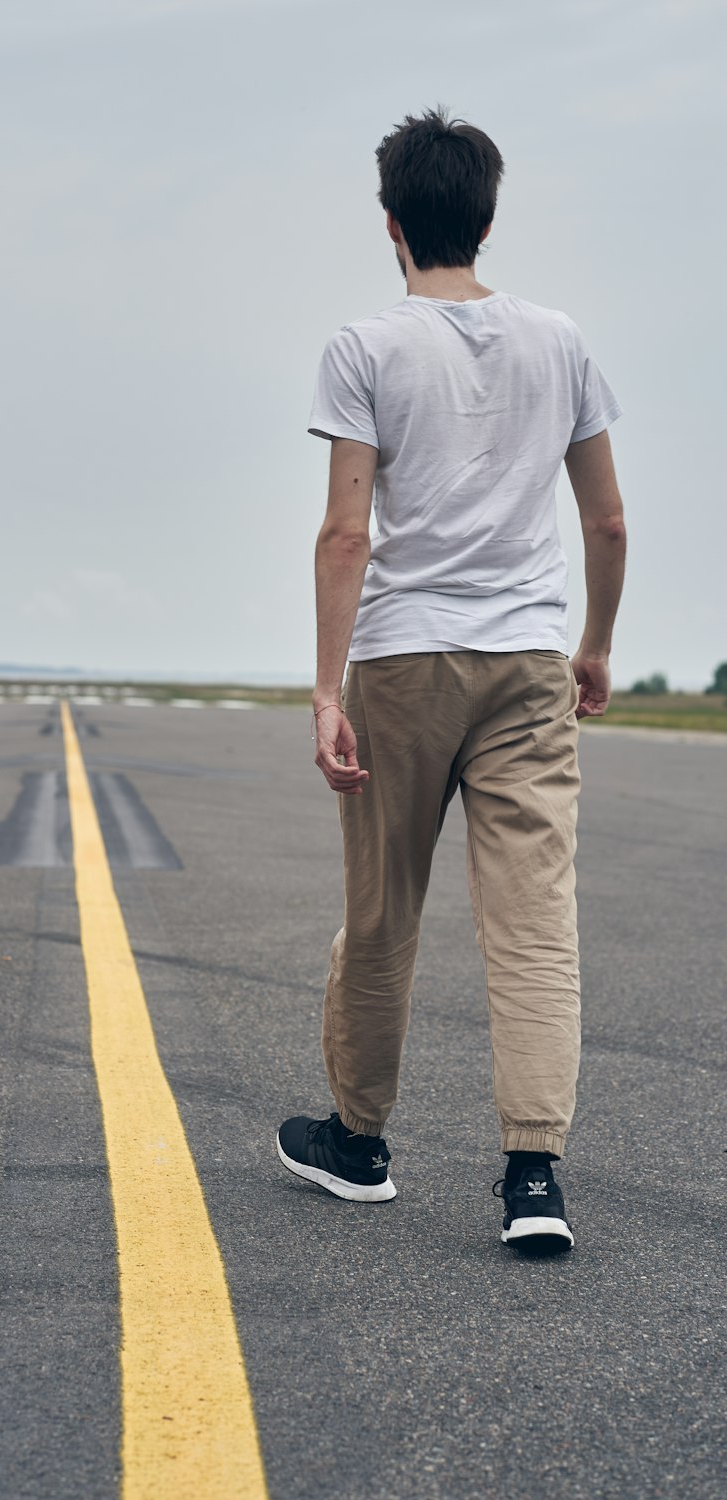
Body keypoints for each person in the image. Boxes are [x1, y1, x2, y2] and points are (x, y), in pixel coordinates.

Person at [276, 108, 626, 1251]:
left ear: (391, 224)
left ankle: (359, 1143)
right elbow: (606, 519)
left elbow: (345, 534)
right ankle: (534, 1176)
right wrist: (595, 645)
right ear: (486, 215)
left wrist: (326, 692)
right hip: (527, 659)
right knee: (533, 923)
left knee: (382, 913)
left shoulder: (365, 347)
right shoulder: (559, 340)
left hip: (404, 659)